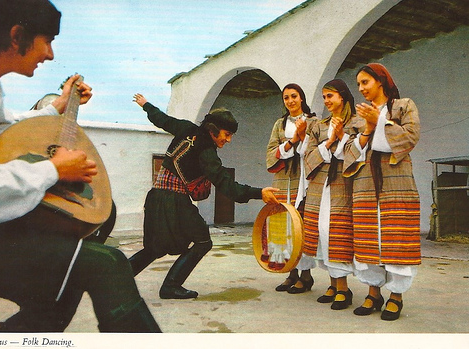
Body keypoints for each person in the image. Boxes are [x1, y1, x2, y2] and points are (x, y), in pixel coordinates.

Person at [0, 0, 160, 332]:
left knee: (60, 289)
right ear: (17, 36)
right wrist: (54, 170)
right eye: (48, 40)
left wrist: (59, 105)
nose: (51, 54)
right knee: (106, 263)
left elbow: (9, 126)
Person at [130, 93, 279, 299]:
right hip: (175, 200)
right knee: (203, 241)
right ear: (213, 129)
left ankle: (115, 281)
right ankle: (170, 286)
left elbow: (162, 119)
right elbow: (227, 185)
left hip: (156, 197)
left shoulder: (186, 128)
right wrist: (259, 193)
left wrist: (145, 104)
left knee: (153, 248)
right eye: (226, 134)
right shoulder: (207, 152)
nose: (228, 140)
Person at [343, 63, 421, 321]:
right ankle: (373, 291)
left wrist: (381, 122)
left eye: (365, 82)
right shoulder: (358, 117)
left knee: (395, 236)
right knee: (368, 235)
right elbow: (348, 154)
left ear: (380, 81)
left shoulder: (403, 106)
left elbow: (410, 137)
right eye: (358, 85)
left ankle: (396, 295)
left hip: (395, 181)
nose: (361, 89)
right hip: (365, 183)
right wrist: (367, 129)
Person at [303, 79, 363, 309]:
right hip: (320, 187)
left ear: (343, 97)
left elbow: (359, 154)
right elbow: (308, 158)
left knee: (336, 233)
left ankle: (343, 289)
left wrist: (341, 138)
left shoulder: (357, 122)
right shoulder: (318, 126)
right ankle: (334, 283)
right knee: (321, 232)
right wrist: (329, 141)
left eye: (331, 96)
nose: (326, 101)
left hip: (343, 187)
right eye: (324, 97)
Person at [265, 83, 317, 293]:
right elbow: (270, 152)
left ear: (301, 98)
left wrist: (300, 140)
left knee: (300, 227)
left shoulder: (313, 122)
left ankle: (306, 276)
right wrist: (290, 143)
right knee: (284, 227)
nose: (290, 101)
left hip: (303, 180)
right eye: (286, 98)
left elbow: (314, 148)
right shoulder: (280, 123)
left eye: (294, 96)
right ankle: (291, 273)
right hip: (282, 180)